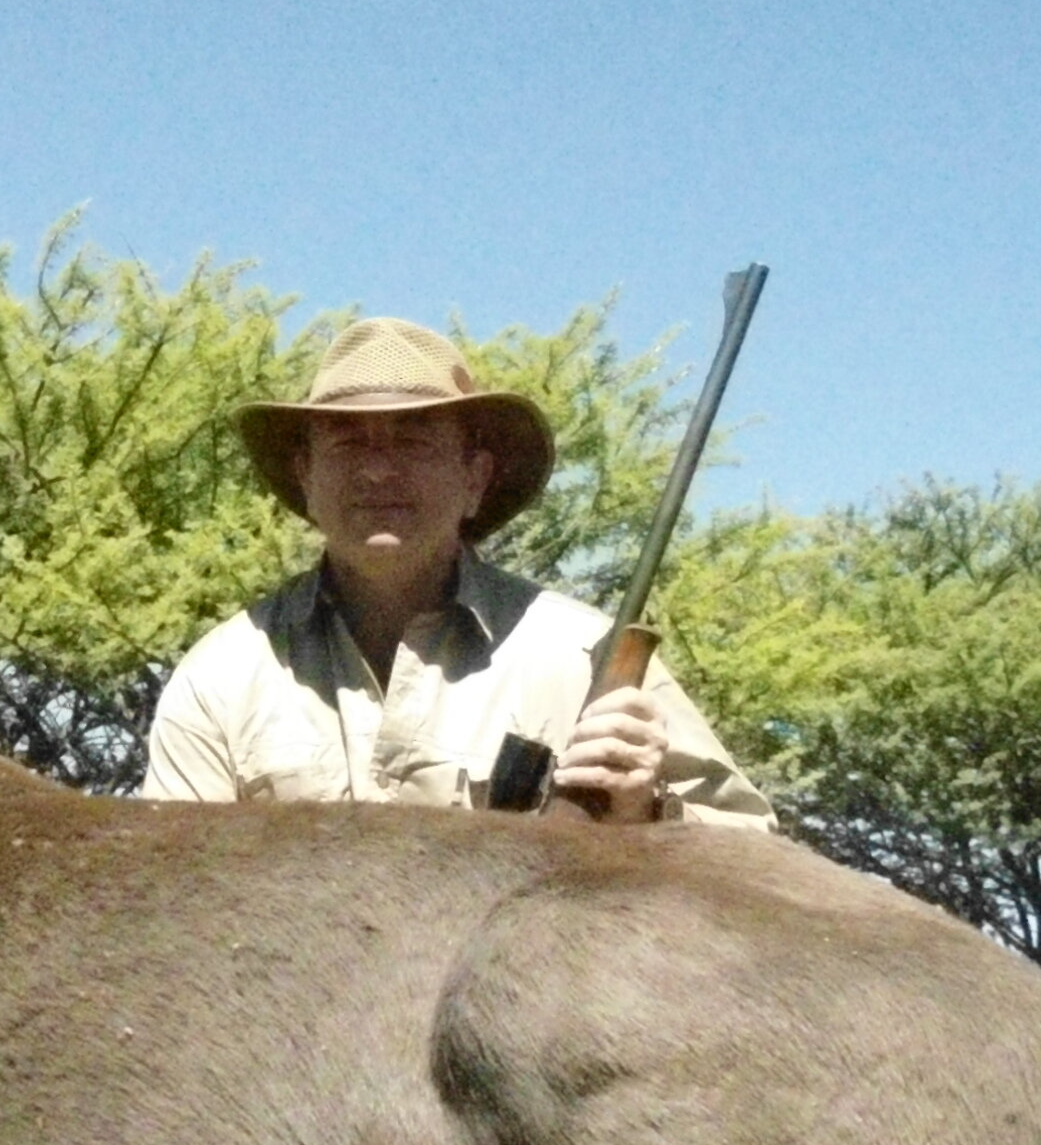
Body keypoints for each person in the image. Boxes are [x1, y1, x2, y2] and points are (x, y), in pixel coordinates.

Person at [142, 317, 772, 828]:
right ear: (306, 476)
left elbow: (755, 858)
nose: (378, 471)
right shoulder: (221, 678)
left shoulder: (583, 657)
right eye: (348, 443)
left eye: (413, 442)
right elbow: (173, 895)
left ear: (475, 478)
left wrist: (646, 811)